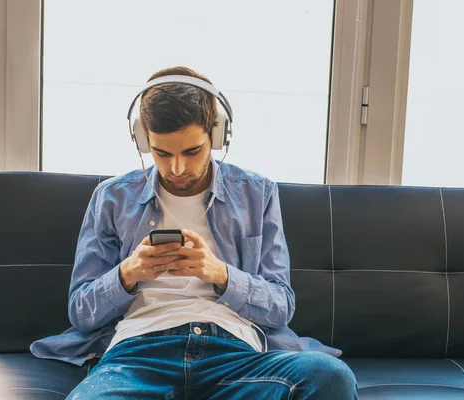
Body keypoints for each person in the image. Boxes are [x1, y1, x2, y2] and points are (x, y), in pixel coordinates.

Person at [30, 66, 358, 399]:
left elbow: (280, 306)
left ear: (216, 136)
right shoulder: (112, 198)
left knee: (330, 377)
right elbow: (82, 313)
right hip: (138, 355)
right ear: (143, 140)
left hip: (233, 353)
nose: (177, 169)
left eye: (191, 151)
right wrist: (128, 273)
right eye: (161, 153)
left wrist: (220, 274)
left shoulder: (256, 194)